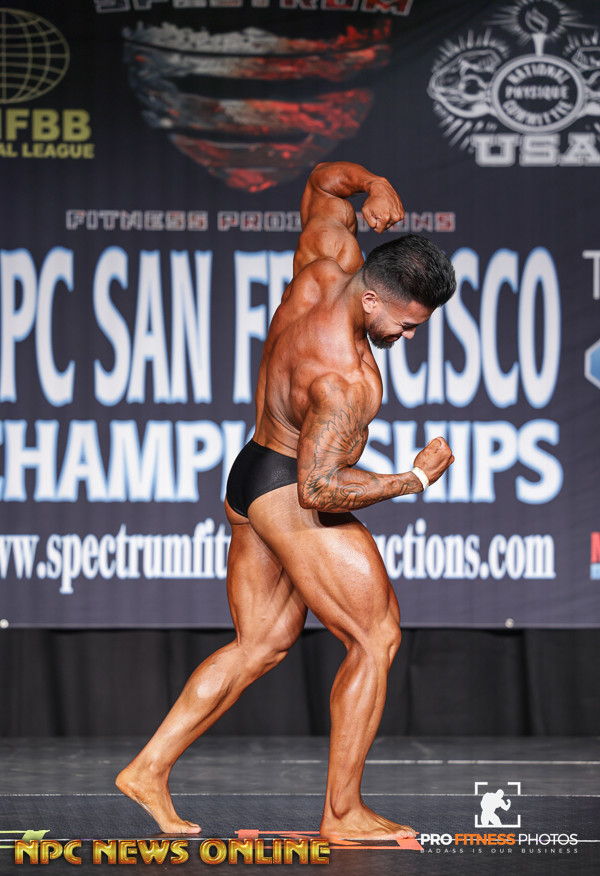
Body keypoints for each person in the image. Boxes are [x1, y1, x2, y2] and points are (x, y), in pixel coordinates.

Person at [117, 161, 456, 841]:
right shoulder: (346, 379)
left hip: (250, 472)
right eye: (407, 325)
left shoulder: (324, 265)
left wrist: (374, 183)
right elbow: (319, 488)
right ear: (372, 301)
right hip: (288, 491)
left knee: (262, 643)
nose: (408, 338)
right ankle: (343, 814)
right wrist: (415, 479)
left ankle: (147, 769)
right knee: (375, 636)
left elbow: (325, 183)